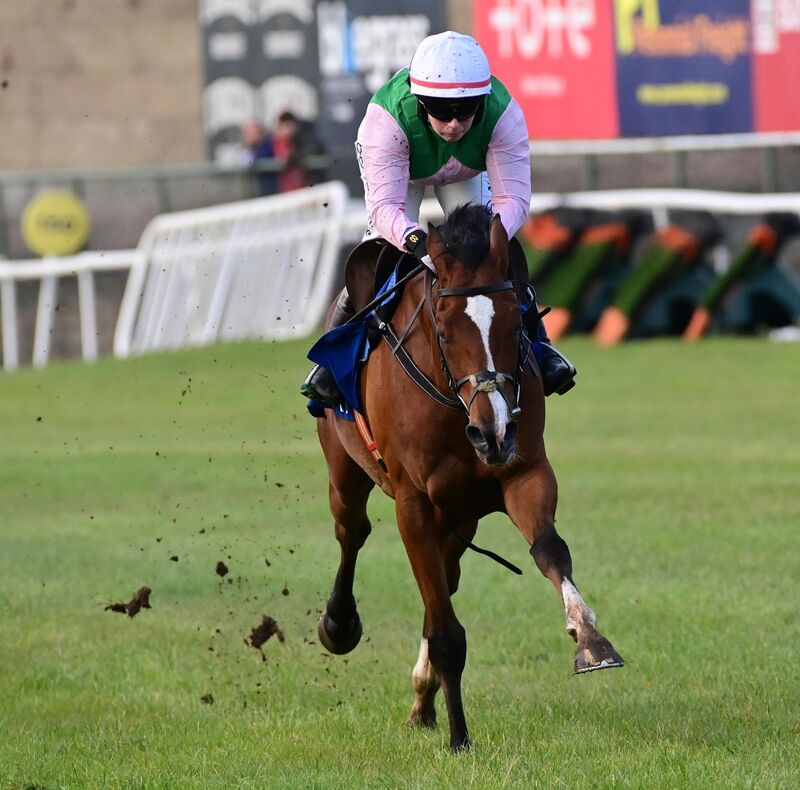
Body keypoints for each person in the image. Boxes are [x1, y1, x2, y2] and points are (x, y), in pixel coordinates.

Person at [301, 31, 575, 404]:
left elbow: (514, 200)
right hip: (404, 177)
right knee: (373, 255)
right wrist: (418, 243)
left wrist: (489, 241)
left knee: (504, 252)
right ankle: (330, 363)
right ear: (419, 100)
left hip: (464, 175)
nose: (454, 124)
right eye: (441, 110)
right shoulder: (385, 119)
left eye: (466, 111)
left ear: (483, 100)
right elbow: (385, 210)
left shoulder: (504, 112)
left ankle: (542, 349)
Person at [240, 119, 276, 196]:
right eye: (246, 134)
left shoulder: (267, 145)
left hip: (272, 193)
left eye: (250, 134)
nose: (247, 137)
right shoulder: (250, 150)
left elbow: (257, 160)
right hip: (260, 193)